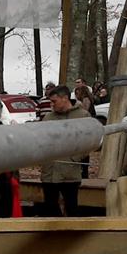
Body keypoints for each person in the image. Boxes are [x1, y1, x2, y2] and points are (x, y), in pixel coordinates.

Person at [35, 85, 86, 218]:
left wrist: (75, 158)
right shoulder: (48, 118)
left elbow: (89, 141)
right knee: (50, 209)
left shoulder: (82, 116)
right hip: (50, 172)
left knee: (72, 208)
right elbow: (41, 141)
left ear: (65, 98)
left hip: (70, 172)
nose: (51, 105)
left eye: (54, 101)